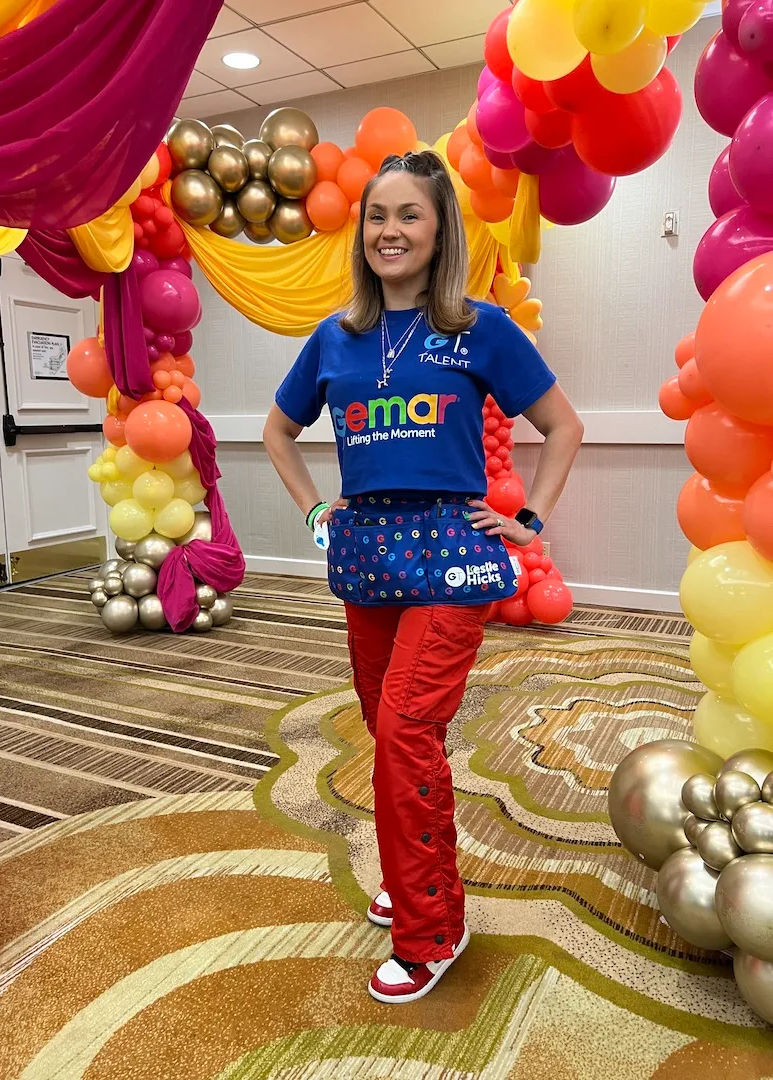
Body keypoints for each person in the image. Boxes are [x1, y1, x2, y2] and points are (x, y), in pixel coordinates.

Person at [263, 150, 583, 1004]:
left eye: (409, 214)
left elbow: (563, 426)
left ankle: (432, 923)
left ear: (440, 231)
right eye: (377, 215)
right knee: (390, 730)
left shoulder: (481, 328)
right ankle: (415, 875)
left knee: (406, 730)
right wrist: (314, 511)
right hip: (365, 552)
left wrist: (530, 520)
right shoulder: (335, 337)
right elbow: (278, 431)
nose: (390, 230)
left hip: (450, 550)